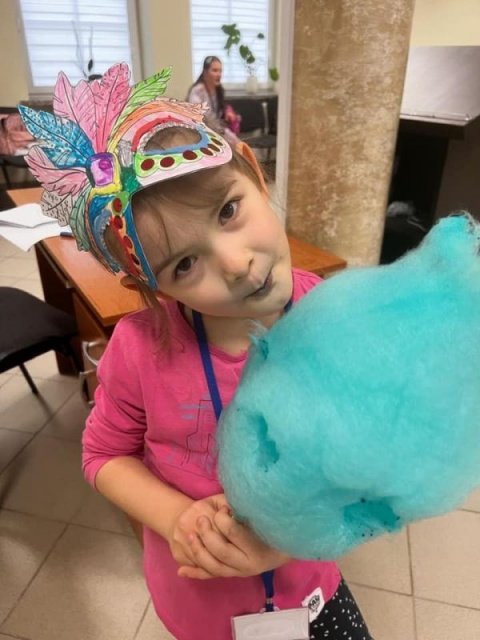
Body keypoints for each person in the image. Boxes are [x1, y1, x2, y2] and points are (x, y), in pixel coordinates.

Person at [18, 63, 372, 640]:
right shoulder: (139, 350)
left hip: (311, 591)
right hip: (199, 610)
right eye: (184, 264)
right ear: (152, 286)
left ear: (254, 173)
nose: (237, 265)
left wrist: (290, 538)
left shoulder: (338, 320)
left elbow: (371, 471)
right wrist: (176, 517)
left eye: (228, 210)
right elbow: (102, 455)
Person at [187, 55, 241, 145]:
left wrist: (228, 112)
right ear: (205, 72)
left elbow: (219, 113)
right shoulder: (198, 91)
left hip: (216, 131)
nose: (219, 74)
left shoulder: (219, 90)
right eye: (215, 70)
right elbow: (198, 120)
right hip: (200, 134)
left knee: (239, 145)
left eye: (220, 71)